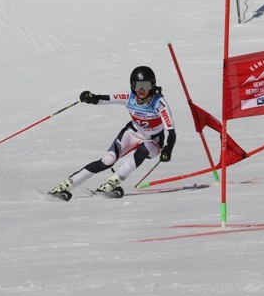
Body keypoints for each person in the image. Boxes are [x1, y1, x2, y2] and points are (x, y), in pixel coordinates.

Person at [48, 66, 177, 200]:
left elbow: (171, 131)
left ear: (153, 86)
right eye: (138, 86)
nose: (141, 90)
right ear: (132, 86)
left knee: (144, 149)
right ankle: (65, 185)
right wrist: (90, 98)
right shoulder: (128, 97)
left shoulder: (159, 103)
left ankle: (112, 183)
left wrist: (168, 148)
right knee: (107, 160)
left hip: (154, 141)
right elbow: (104, 99)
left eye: (146, 85)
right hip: (132, 133)